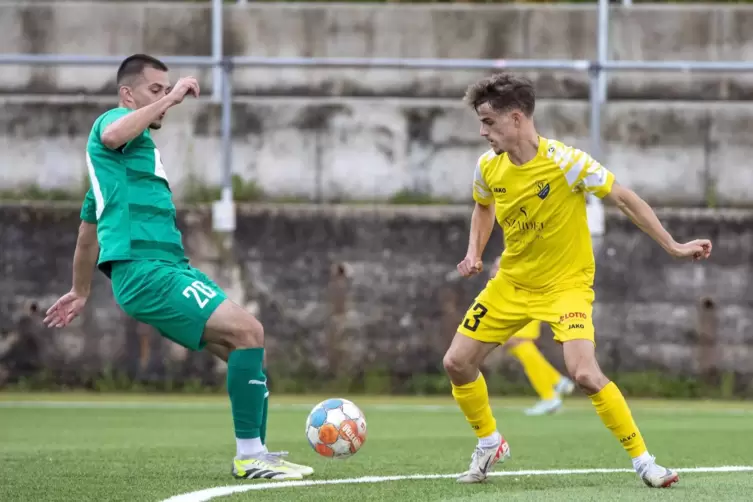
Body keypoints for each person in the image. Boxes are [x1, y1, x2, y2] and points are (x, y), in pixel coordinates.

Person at [43, 54, 313, 481]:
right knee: (250, 331)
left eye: (164, 89)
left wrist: (80, 292)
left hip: (167, 269)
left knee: (245, 349)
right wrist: (169, 98)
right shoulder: (110, 125)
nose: (164, 97)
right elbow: (114, 134)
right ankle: (249, 456)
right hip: (145, 271)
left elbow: (85, 236)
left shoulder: (115, 176)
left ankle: (259, 452)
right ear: (126, 94)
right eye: (154, 89)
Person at [443, 73, 712, 486]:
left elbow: (623, 198)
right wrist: (474, 253)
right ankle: (489, 442)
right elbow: (483, 207)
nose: (482, 132)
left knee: (584, 373)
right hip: (512, 283)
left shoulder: (566, 162)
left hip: (566, 286)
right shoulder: (488, 167)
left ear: (516, 119)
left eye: (489, 122)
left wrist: (674, 246)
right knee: (456, 363)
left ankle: (645, 463)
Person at [488, 256, 575, 416]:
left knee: (518, 344)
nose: (493, 270)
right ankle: (556, 381)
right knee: (518, 347)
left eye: (497, 267)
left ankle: (550, 396)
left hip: (527, 303)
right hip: (525, 303)